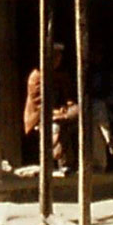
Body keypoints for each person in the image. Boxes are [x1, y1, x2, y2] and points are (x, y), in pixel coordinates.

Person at [23, 44, 79, 172]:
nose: (57, 60)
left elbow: (68, 95)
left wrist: (68, 104)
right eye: (54, 57)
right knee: (55, 127)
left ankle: (71, 162)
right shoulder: (36, 76)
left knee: (76, 115)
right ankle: (58, 161)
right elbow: (39, 102)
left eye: (59, 57)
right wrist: (55, 111)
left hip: (59, 112)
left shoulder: (61, 75)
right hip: (40, 115)